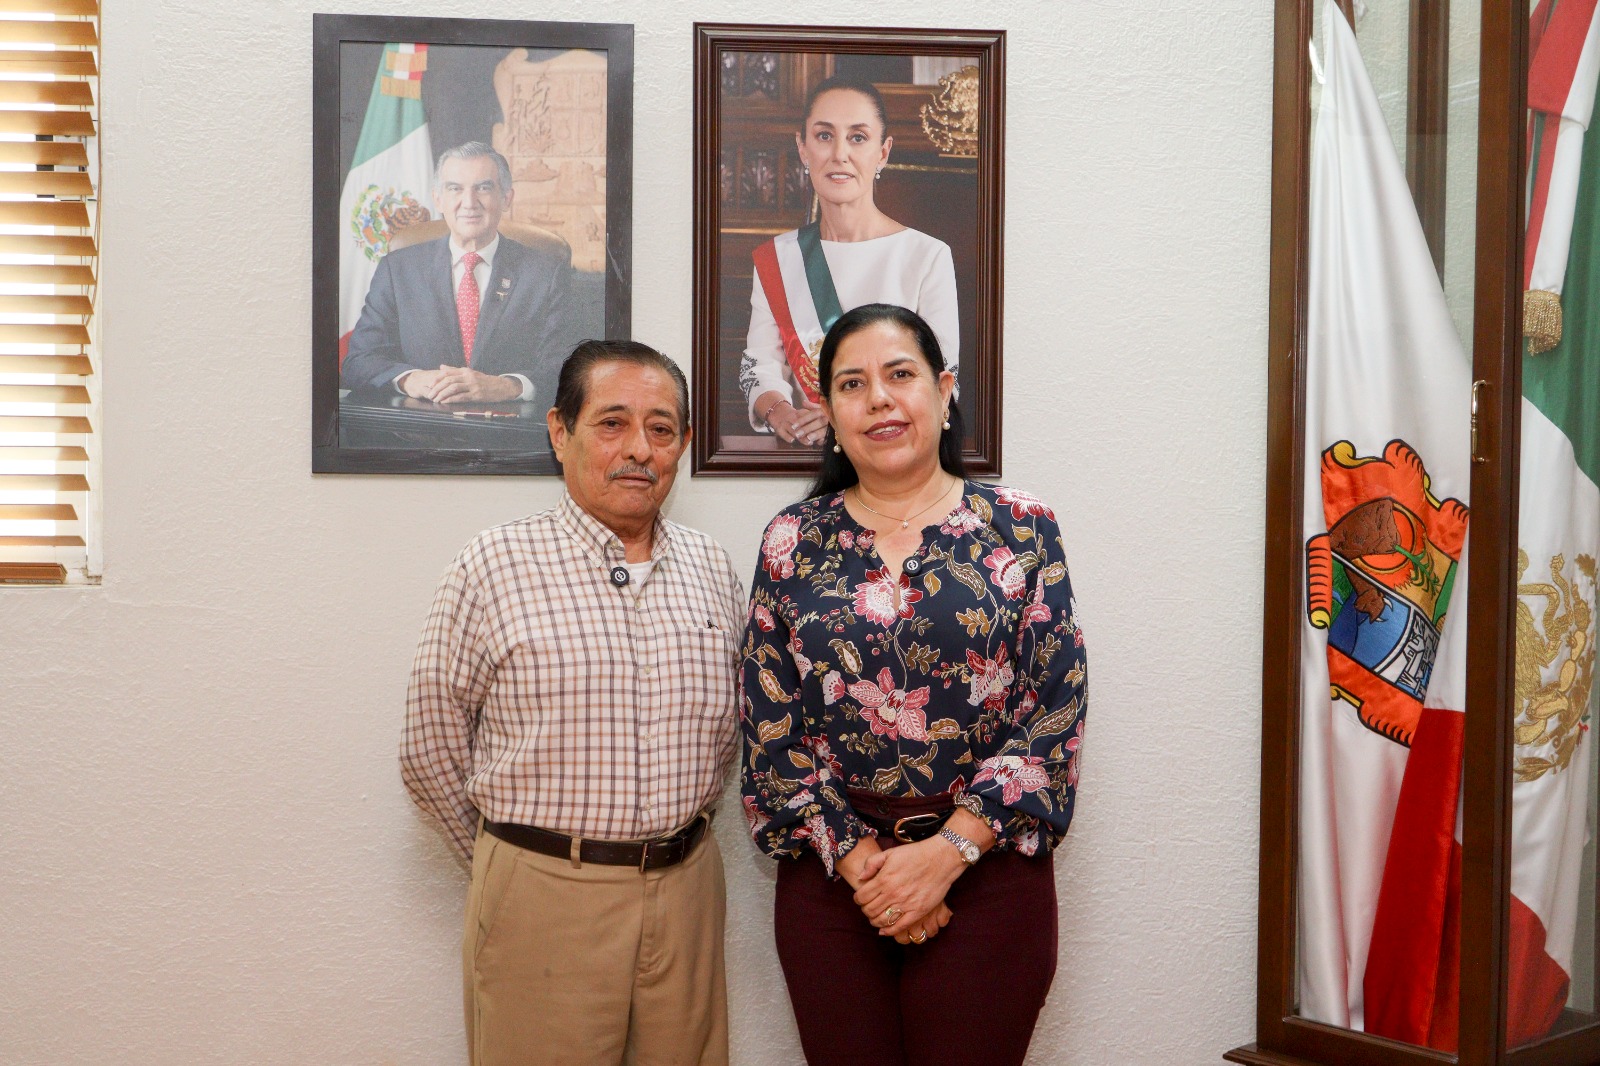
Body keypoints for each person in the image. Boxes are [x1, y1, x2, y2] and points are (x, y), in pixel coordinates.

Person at [739, 304, 1087, 1066]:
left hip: (989, 874)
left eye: (900, 375)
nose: (879, 400)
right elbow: (768, 722)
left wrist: (947, 854)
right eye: (852, 384)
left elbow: (1054, 706)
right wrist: (864, 864)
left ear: (944, 389)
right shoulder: (792, 541)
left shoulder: (1021, 526)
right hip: (835, 880)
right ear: (829, 411)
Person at [401, 340, 745, 1066]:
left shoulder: (713, 568)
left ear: (683, 444)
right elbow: (430, 748)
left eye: (660, 428)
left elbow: (726, 741)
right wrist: (513, 864)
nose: (639, 449)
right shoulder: (493, 565)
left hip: (686, 892)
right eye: (612, 423)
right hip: (543, 895)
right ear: (561, 431)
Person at [740, 76, 960, 447]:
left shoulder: (927, 256)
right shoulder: (777, 258)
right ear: (803, 148)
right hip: (807, 455)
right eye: (824, 135)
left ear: (883, 152)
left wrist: (841, 414)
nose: (839, 154)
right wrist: (783, 414)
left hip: (894, 450)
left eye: (857, 137)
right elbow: (759, 367)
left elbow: (940, 382)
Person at [342, 142, 572, 407]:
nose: (469, 203)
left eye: (483, 188)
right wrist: (410, 379)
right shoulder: (398, 269)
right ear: (438, 199)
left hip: (505, 425)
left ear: (506, 198)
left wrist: (507, 386)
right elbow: (359, 361)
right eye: (455, 189)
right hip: (418, 425)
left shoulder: (545, 273)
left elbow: (566, 369)